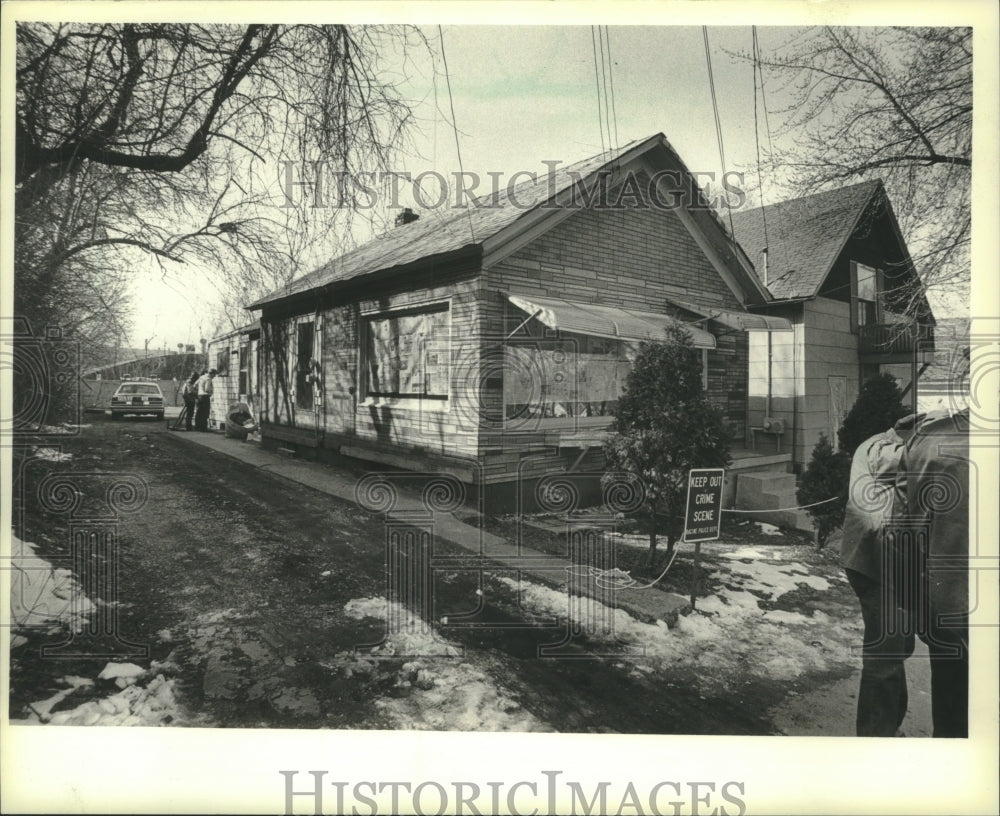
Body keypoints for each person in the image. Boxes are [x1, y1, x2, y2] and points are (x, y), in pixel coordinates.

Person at [840, 413, 921, 736]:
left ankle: (890, 724)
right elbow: (900, 460)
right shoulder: (880, 448)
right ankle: (875, 738)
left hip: (894, 562)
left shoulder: (891, 447)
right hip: (876, 565)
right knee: (885, 656)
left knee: (899, 646)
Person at [892, 408, 970, 738]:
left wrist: (912, 604)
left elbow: (903, 531)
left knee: (953, 716)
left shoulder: (929, 439)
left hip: (948, 606)